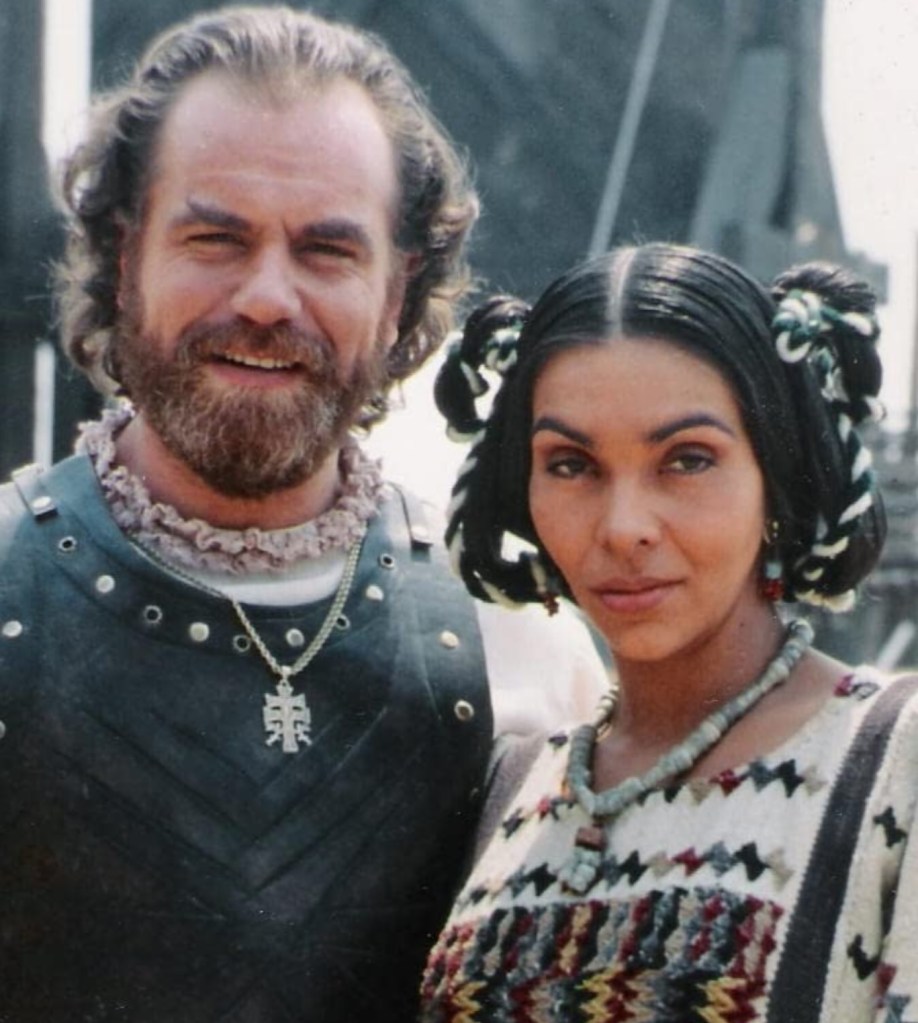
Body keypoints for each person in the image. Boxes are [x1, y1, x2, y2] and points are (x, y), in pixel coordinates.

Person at [0, 6, 605, 1020]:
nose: (267, 297)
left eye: (327, 250)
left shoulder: (521, 649)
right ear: (125, 253)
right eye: (215, 238)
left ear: (398, 290)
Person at [420, 242, 918, 1021]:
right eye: (570, 464)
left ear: (774, 472)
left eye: (687, 459)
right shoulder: (509, 787)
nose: (624, 527)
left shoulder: (891, 760)